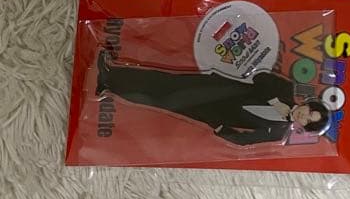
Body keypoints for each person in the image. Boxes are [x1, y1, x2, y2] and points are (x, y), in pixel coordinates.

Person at [95, 49, 329, 145]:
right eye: (310, 111)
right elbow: (261, 78)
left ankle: (108, 87)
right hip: (217, 87)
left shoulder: (277, 133)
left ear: (303, 127)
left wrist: (219, 128)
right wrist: (276, 102)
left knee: (163, 102)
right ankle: (113, 73)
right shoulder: (285, 91)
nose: (304, 115)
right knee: (165, 81)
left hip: (210, 112)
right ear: (307, 104)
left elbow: (243, 141)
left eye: (308, 121)